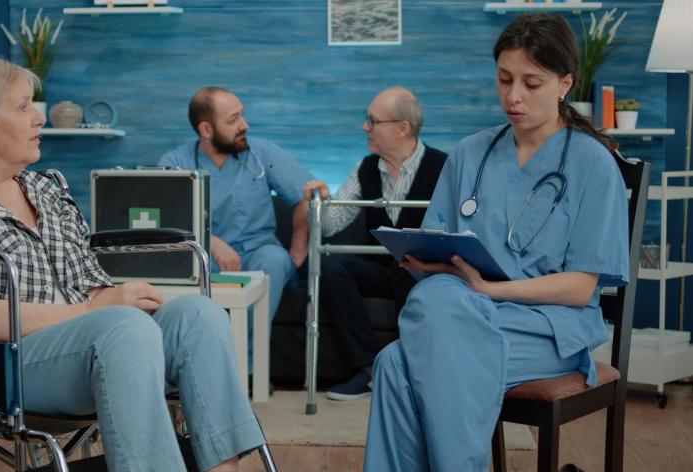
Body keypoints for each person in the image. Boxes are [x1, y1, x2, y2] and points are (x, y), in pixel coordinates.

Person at [0, 55, 264, 472]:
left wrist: (116, 298)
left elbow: (89, 283)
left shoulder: (46, 190)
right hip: (1, 363)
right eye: (23, 107)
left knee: (199, 314)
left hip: (89, 343)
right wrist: (96, 311)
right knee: (124, 328)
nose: (38, 118)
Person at [363, 13, 629, 471]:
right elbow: (437, 238)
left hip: (548, 327)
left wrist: (493, 290)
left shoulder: (592, 164)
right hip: (463, 309)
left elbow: (581, 288)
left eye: (531, 83)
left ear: (565, 83)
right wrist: (432, 264)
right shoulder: (471, 153)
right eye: (504, 79)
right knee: (432, 306)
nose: (513, 96)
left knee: (397, 363)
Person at [301, 87, 447, 401]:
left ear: (401, 128)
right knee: (331, 265)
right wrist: (322, 200)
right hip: (379, 268)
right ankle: (368, 369)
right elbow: (330, 225)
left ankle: (412, 372)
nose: (365, 127)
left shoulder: (444, 167)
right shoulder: (365, 167)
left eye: (372, 121)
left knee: (411, 273)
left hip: (423, 270)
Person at [159, 86, 314, 321]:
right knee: (189, 271)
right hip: (204, 257)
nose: (244, 125)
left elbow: (308, 194)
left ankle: (248, 357)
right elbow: (165, 218)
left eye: (242, 114)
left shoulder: (262, 152)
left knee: (274, 260)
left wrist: (298, 249)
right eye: (233, 120)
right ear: (206, 129)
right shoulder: (175, 162)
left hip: (259, 252)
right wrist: (210, 242)